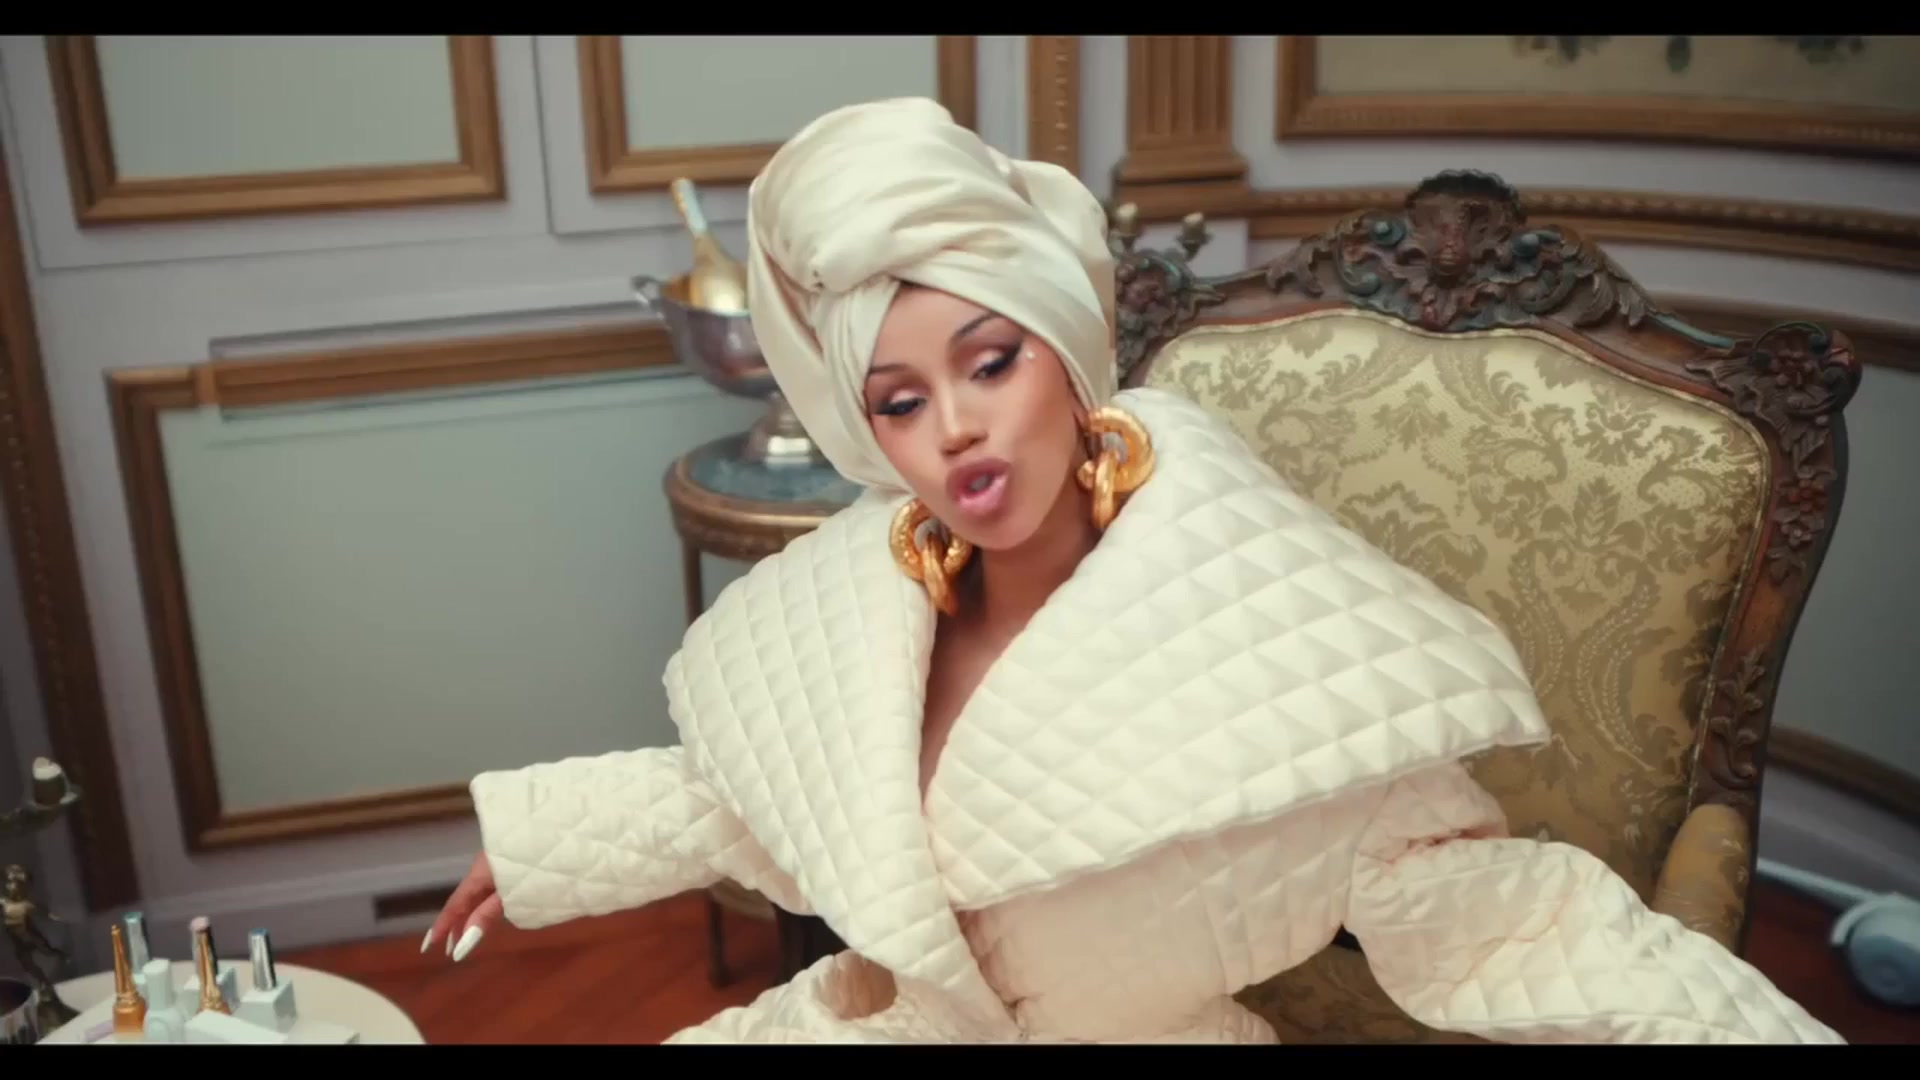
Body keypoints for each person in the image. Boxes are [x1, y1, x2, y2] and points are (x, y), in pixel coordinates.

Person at [421, 97, 1842, 1045]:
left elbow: (1502, 915)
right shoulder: (858, 615)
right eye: (901, 402)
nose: (955, 429)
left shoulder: (1281, 644)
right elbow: (750, 793)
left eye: (990, 363)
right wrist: (539, 844)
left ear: (1067, 354)